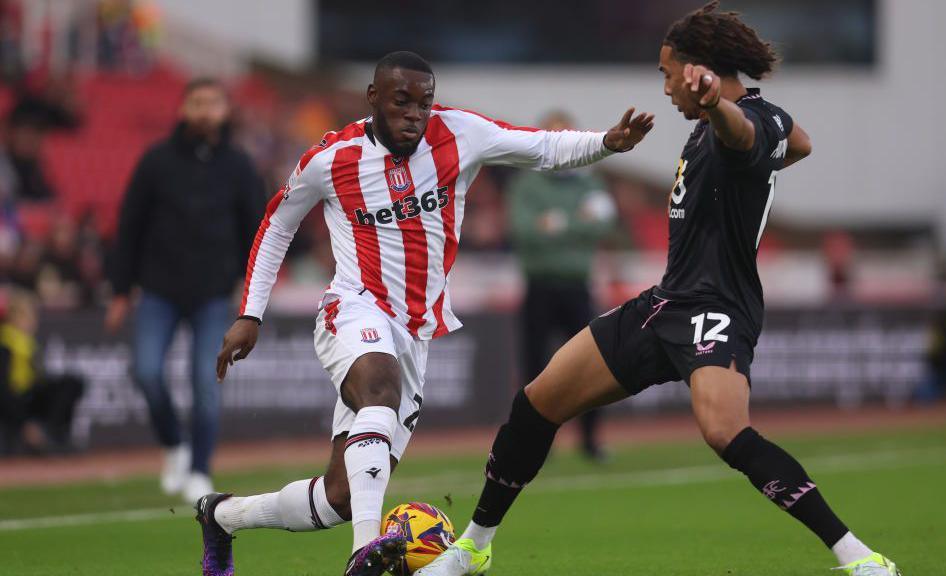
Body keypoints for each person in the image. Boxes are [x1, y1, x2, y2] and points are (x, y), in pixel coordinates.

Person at [417, 4, 901, 576]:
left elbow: (745, 135)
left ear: (700, 70)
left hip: (718, 306)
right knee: (536, 403)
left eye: (668, 72)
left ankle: (860, 558)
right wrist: (726, 120)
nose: (665, 85)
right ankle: (473, 548)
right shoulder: (732, 124)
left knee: (724, 431)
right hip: (665, 303)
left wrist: (717, 105)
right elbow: (801, 143)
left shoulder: (743, 119)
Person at [197, 51, 653, 576]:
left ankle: (223, 516)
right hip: (353, 306)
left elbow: (542, 147)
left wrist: (607, 143)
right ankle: (363, 555)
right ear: (374, 99)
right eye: (402, 101)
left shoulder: (460, 134)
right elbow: (277, 224)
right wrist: (250, 312)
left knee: (341, 497)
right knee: (379, 392)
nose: (416, 113)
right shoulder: (331, 159)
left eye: (424, 102)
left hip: (416, 332)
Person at [106, 78, 264, 503]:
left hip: (213, 295)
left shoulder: (239, 166)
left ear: (226, 111)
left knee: (205, 384)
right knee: (146, 372)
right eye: (197, 102)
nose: (205, 111)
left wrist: (254, 293)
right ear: (183, 110)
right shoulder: (155, 161)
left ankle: (199, 469)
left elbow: (260, 231)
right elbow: (129, 226)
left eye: (214, 103)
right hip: (158, 290)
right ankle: (174, 443)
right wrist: (120, 290)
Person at [506, 110, 616, 461]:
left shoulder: (589, 182)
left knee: (590, 367)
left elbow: (602, 225)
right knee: (534, 369)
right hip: (539, 286)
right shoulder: (527, 183)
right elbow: (526, 231)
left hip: (577, 285)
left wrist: (555, 224)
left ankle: (590, 440)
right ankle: (534, 443)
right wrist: (577, 223)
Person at [0, 289, 84, 455]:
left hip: (26, 396)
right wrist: (23, 424)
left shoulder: (25, 342)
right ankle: (36, 435)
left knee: (70, 383)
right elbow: (4, 390)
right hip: (13, 402)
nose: (34, 320)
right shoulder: (6, 344)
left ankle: (54, 433)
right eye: (29, 315)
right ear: (15, 317)